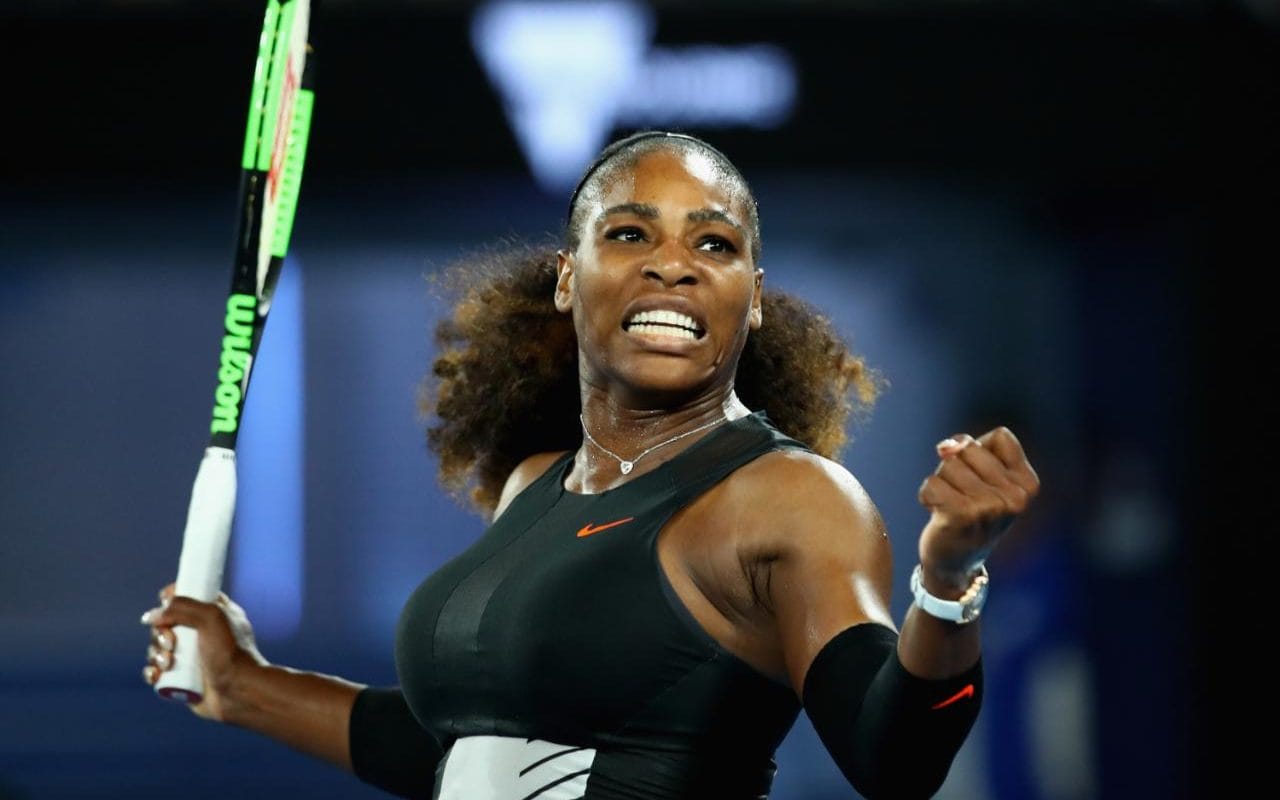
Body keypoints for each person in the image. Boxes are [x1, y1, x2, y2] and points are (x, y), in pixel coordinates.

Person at [141, 130, 1040, 799]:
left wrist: (946, 583)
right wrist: (243, 684)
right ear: (569, 277)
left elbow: (895, 760)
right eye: (631, 234)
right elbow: (456, 753)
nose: (674, 267)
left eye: (714, 244)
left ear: (754, 299)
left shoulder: (788, 498)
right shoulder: (533, 487)